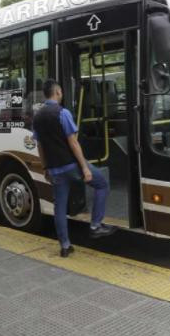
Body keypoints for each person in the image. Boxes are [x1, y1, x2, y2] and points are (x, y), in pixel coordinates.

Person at [32, 79, 115, 257]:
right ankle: (95, 226)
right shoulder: (63, 113)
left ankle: (65, 246)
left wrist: (46, 168)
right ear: (58, 92)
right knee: (102, 184)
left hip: (54, 170)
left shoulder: (37, 117)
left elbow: (40, 146)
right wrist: (84, 167)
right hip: (71, 166)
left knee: (60, 208)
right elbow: (73, 143)